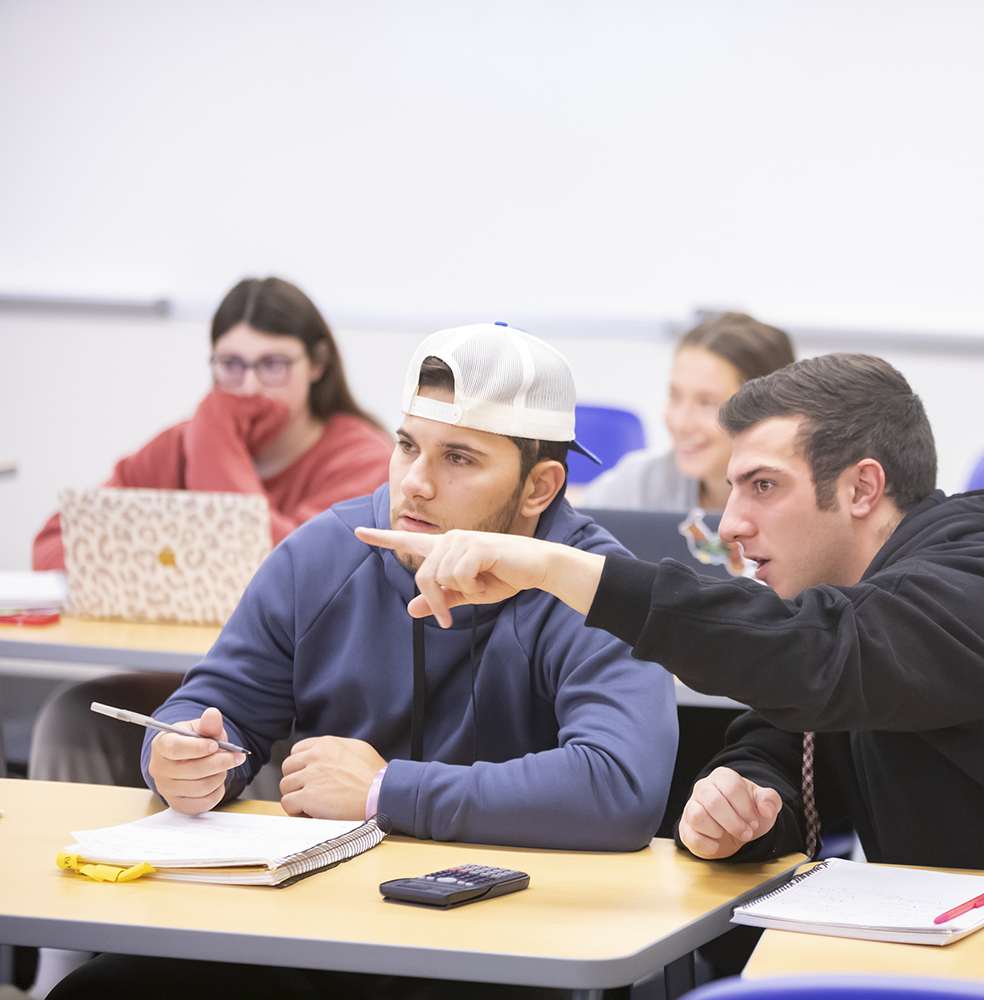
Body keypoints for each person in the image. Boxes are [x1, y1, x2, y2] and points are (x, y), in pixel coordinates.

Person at [362, 352, 984, 884]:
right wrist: (751, 800)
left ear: (862, 488)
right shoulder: (856, 608)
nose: (731, 524)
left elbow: (819, 663)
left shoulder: (976, 595)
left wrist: (552, 565)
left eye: (763, 488)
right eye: (730, 489)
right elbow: (791, 729)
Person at [49, 324, 679, 1000]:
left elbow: (619, 787)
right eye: (407, 446)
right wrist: (182, 759)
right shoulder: (323, 551)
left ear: (538, 488)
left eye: (459, 459)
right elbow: (216, 706)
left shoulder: (594, 582)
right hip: (320, 930)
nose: (415, 484)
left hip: (507, 949)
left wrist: (385, 793)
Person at [29, 276, 393, 788]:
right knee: (72, 717)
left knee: (256, 750)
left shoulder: (362, 457)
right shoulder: (185, 441)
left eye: (272, 365)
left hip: (289, 696)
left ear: (317, 363)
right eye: (230, 366)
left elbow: (275, 568)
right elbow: (55, 543)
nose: (247, 388)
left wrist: (219, 434)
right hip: (193, 678)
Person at [581, 311, 794, 511]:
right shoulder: (642, 483)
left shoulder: (802, 501)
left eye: (707, 403)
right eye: (675, 396)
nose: (681, 423)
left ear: (766, 412)